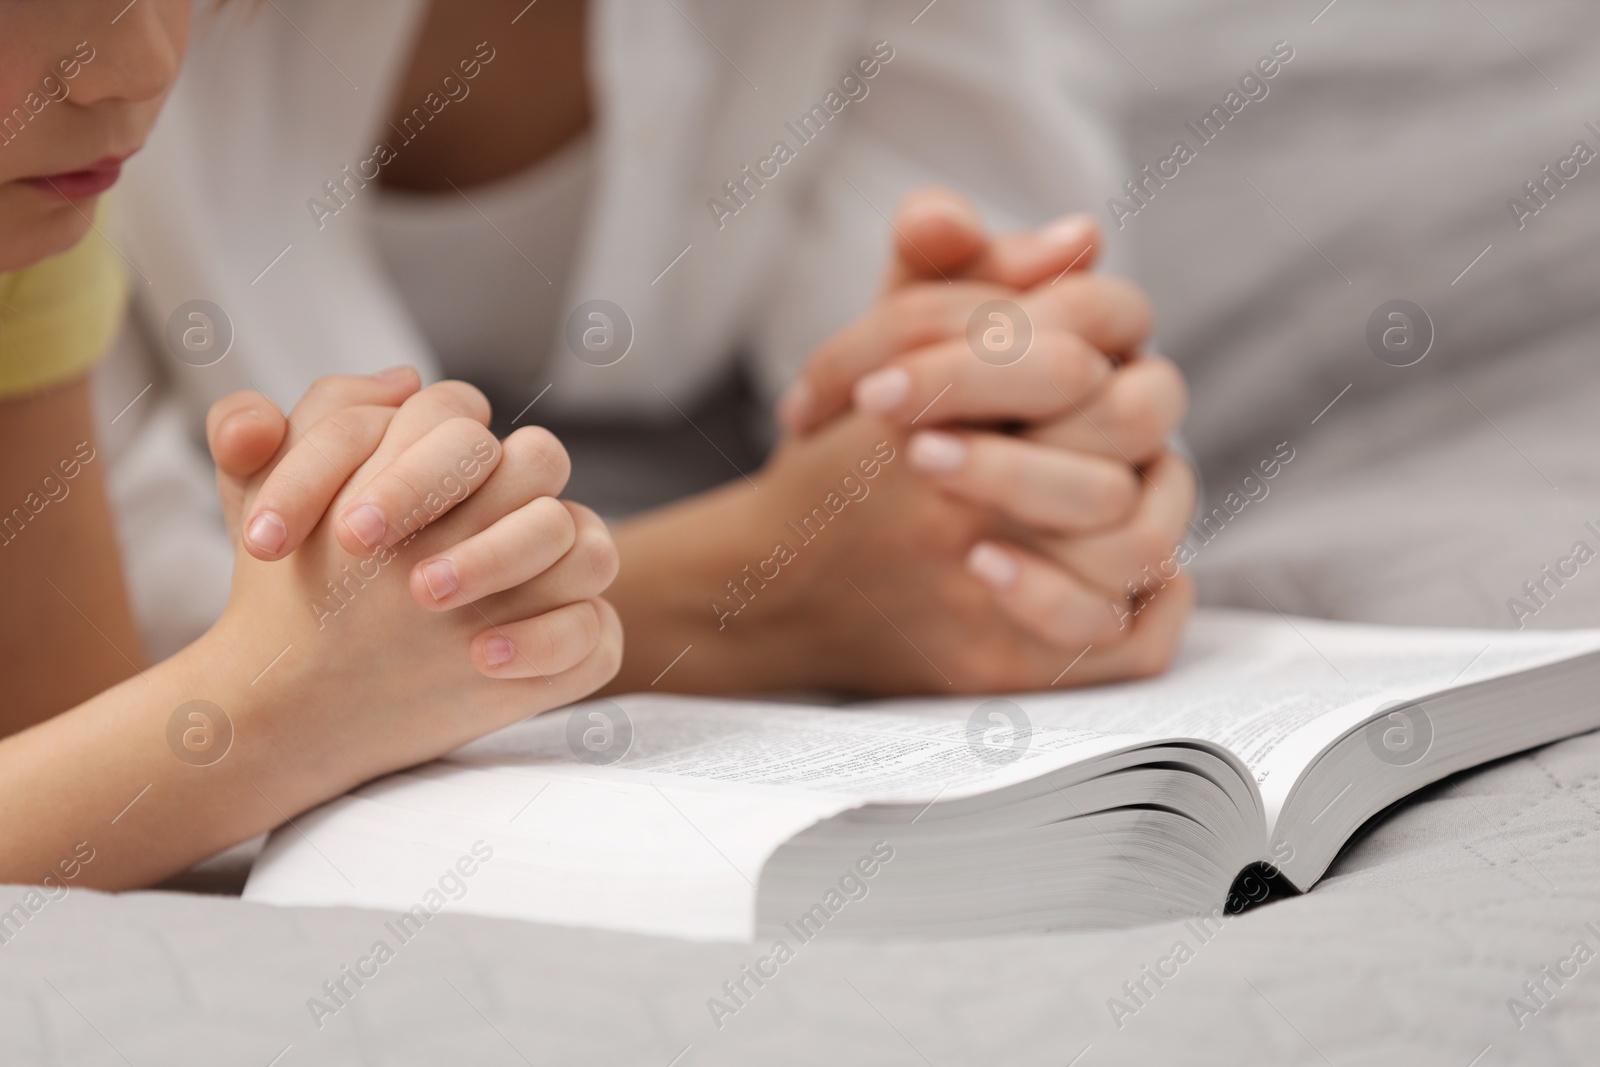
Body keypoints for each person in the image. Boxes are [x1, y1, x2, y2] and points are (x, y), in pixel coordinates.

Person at [112, 0, 1197, 695]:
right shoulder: (77, 57)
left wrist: (1023, 456)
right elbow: (75, 663)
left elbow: (975, 363)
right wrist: (746, 594)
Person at [0, 0, 620, 889]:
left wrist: (337, 595)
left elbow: (72, 824)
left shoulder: (30, 238)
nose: (136, 69)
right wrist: (271, 708)